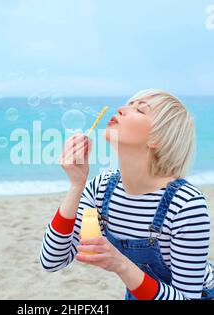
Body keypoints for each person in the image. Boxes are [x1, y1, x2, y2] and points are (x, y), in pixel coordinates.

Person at [39, 89, 214, 300]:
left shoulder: (185, 205)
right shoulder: (102, 189)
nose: (121, 109)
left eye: (139, 109)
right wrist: (77, 185)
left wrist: (120, 264)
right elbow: (51, 261)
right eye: (128, 103)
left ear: (157, 139)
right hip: (141, 291)